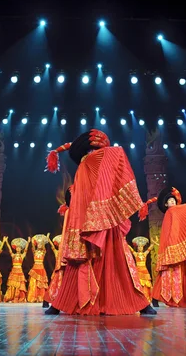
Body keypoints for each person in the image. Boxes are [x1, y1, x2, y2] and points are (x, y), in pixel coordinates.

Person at [44, 129, 155, 315]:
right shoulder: (87, 165)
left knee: (117, 261)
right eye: (93, 149)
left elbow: (114, 161)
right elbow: (116, 154)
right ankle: (60, 303)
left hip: (105, 219)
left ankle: (141, 303)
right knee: (92, 260)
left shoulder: (99, 161)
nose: (98, 153)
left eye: (100, 149)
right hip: (92, 219)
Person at [140, 187, 186, 307]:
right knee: (168, 272)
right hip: (173, 245)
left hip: (183, 245)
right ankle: (156, 297)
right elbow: (171, 231)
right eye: (169, 201)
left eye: (173, 200)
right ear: (166, 204)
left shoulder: (180, 211)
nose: (172, 202)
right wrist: (174, 245)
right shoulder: (170, 213)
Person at [43, 187, 71, 308]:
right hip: (69, 248)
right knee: (62, 275)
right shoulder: (70, 212)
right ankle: (52, 299)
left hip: (71, 248)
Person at [127, 236, 156, 303]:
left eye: (141, 246)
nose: (140, 248)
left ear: (143, 247)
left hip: (145, 271)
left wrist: (153, 243)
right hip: (138, 271)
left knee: (146, 285)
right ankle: (139, 299)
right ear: (137, 248)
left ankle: (147, 298)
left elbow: (149, 249)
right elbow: (130, 249)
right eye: (139, 247)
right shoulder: (136, 254)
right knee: (139, 284)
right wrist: (124, 242)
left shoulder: (144, 254)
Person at [3, 237, 29, 303]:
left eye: (19, 248)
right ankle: (11, 297)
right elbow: (9, 250)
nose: (18, 249)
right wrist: (6, 242)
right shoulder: (13, 255)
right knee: (12, 285)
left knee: (19, 285)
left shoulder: (22, 256)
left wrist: (28, 242)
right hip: (14, 271)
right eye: (17, 247)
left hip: (19, 271)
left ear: (21, 249)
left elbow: (26, 250)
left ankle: (18, 297)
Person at [27, 234, 50, 303]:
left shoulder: (43, 252)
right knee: (33, 283)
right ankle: (33, 297)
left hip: (41, 269)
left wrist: (46, 238)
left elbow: (44, 247)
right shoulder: (35, 252)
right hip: (35, 268)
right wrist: (31, 241)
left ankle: (40, 297)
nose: (39, 245)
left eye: (40, 244)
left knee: (41, 284)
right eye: (38, 244)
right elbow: (33, 247)